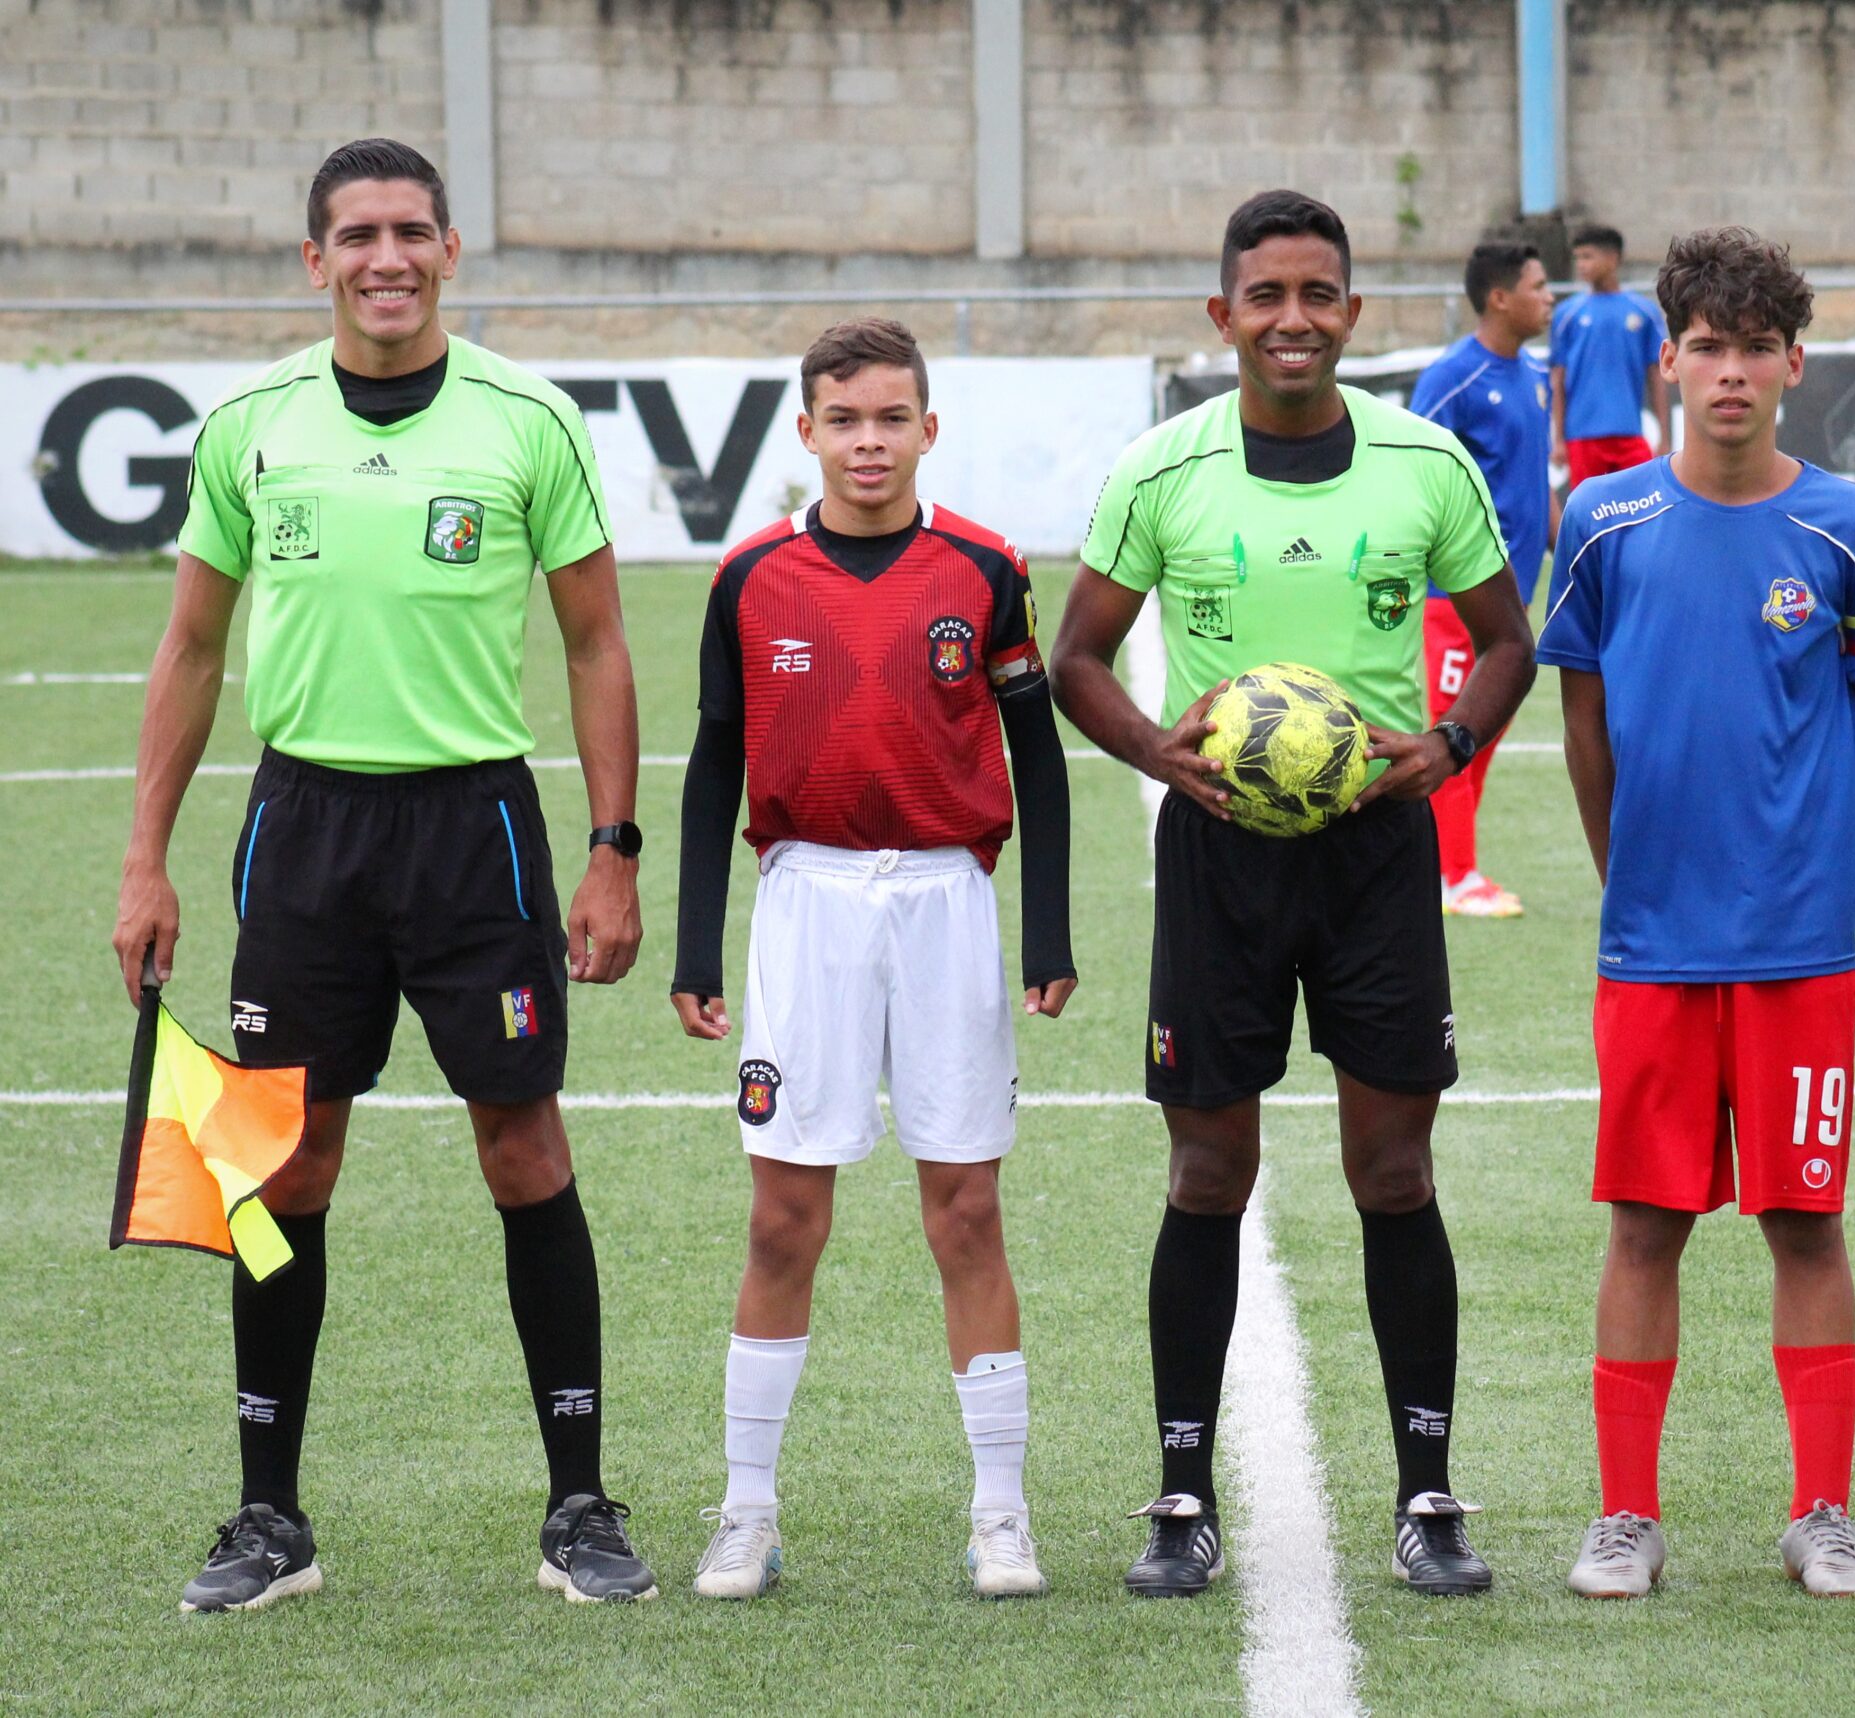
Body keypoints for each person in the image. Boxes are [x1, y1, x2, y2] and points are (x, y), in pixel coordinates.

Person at [112, 137, 655, 1611]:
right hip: (303, 836)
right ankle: (269, 1517)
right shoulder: (253, 426)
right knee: (284, 1164)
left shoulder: (526, 418)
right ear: (315, 260)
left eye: (412, 231)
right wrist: (145, 857)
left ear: (452, 250)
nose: (387, 258)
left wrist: (612, 851)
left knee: (523, 1150)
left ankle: (580, 1506)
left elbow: (597, 642)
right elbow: (195, 648)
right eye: (357, 235)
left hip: (473, 830)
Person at [1049, 189, 1536, 1599]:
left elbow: (1507, 643)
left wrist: (1442, 747)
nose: (1293, 321)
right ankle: (1180, 1490)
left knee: (1395, 1169)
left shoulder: (1424, 462)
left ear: (1352, 313)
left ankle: (1429, 1489)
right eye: (1265, 296)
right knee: (1208, 1169)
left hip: (1377, 853)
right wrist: (1159, 753)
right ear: (1223, 317)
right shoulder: (1162, 471)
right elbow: (1078, 653)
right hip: (1217, 851)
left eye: (1318, 295)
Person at [671, 319, 1075, 1601]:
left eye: (890, 418)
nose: (867, 441)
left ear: (927, 429)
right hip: (807, 905)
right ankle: (745, 1507)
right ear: (806, 432)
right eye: (843, 420)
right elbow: (714, 764)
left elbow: (1039, 757)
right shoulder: (748, 578)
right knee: (785, 1213)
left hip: (948, 900)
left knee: (966, 1207)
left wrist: (1051, 927)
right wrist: (692, 942)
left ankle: (1000, 1510)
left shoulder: (984, 567)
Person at [1542, 227, 1855, 1601]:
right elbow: (1584, 720)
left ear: (1795, 363)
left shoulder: (1850, 528)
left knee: (1806, 1223)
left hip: (1798, 950)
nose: (1732, 371)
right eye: (1707, 344)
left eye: (1758, 346)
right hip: (1652, 944)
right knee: (1645, 1221)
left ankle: (1822, 1508)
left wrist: (1837, 882)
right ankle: (1623, 1515)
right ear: (1668, 360)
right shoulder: (1605, 522)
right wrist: (1622, 868)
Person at [1410, 240, 1556, 920]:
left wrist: (1571, 545)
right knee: (1453, 728)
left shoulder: (1534, 375)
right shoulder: (1454, 378)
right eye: (1539, 284)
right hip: (1455, 598)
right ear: (1501, 297)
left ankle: (1446, 864)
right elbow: (1410, 477)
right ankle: (1453, 875)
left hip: (1512, 604)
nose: (1549, 296)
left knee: (1485, 727)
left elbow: (1533, 483)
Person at [1549, 224, 1672, 492]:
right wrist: (1557, 439)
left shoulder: (1644, 312)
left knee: (1638, 511)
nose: (1581, 265)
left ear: (1613, 258)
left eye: (1588, 256)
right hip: (1582, 437)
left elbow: (1657, 376)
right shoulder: (1566, 315)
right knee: (1589, 515)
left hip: (1630, 433)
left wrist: (1664, 436)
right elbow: (1557, 380)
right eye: (1578, 258)